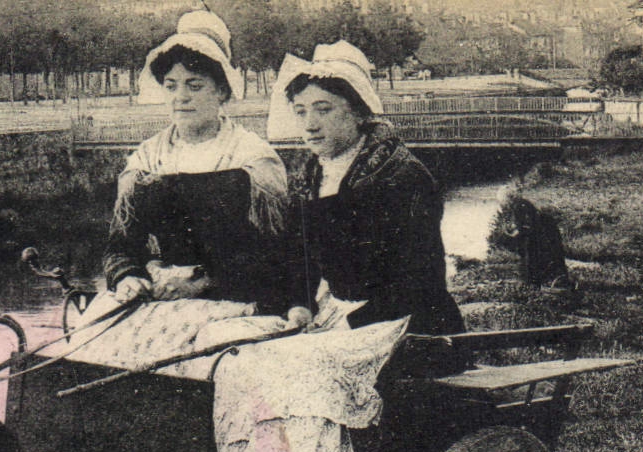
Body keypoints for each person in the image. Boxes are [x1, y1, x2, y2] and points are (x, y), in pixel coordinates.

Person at [104, 11, 301, 317]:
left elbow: (279, 256)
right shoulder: (147, 158)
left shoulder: (253, 160)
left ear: (221, 91)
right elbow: (121, 246)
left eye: (194, 86)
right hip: (161, 295)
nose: (180, 97)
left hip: (234, 298)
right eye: (171, 86)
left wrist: (204, 282)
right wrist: (127, 275)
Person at [272, 42, 465, 337]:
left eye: (323, 110)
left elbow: (419, 283)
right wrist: (301, 305)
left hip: (409, 323)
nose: (310, 125)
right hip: (341, 316)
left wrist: (348, 326)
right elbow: (301, 258)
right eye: (301, 111)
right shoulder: (309, 175)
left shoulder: (401, 175)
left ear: (360, 112)